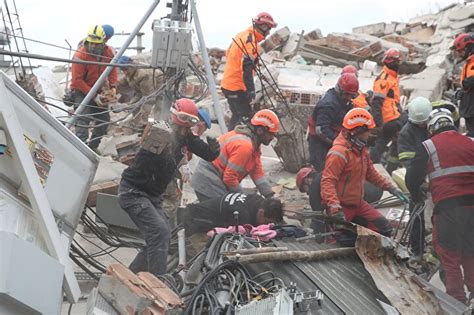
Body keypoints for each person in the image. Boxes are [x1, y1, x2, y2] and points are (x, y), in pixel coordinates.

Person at [117, 98, 220, 277]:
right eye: (181, 125)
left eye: (188, 126)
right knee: (160, 231)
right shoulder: (161, 133)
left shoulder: (186, 136)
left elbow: (206, 153)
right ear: (175, 118)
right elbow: (143, 164)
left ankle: (133, 275)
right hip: (134, 193)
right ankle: (158, 282)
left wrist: (213, 149)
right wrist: (168, 157)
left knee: (161, 236)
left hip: (152, 196)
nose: (183, 130)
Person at [405, 108, 474, 304]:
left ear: (432, 128)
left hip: (449, 209)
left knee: (449, 257)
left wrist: (417, 193)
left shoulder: (428, 146)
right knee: (471, 253)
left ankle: (457, 302)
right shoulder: (471, 142)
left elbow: (412, 178)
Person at [321, 108, 407, 236]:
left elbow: (371, 173)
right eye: (368, 131)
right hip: (342, 208)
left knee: (384, 229)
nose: (370, 135)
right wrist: (334, 206)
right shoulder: (339, 153)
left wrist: (390, 188)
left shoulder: (361, 150)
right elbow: (328, 181)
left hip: (358, 204)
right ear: (358, 131)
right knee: (343, 239)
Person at [191, 109, 279, 202]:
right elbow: (229, 178)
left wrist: (270, 195)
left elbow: (256, 172)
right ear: (260, 130)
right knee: (226, 212)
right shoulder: (245, 146)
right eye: (271, 134)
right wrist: (242, 200)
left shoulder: (254, 144)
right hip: (208, 180)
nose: (272, 137)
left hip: (210, 179)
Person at [221, 12, 277, 129]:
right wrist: (251, 91)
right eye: (269, 29)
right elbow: (247, 68)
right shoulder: (250, 41)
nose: (269, 33)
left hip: (229, 84)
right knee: (245, 117)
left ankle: (228, 141)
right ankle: (234, 143)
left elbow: (228, 53)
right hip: (236, 86)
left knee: (237, 115)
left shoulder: (242, 35)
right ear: (263, 27)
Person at [70, 25, 117, 150]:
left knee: (104, 120)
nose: (93, 46)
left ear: (103, 42)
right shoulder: (80, 55)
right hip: (81, 91)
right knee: (82, 120)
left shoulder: (108, 52)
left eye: (96, 44)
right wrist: (94, 96)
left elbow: (112, 69)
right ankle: (79, 150)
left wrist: (113, 86)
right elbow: (77, 80)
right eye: (91, 43)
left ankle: (92, 148)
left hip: (98, 89)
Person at [397, 96, 432, 258]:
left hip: (435, 170)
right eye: (420, 124)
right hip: (417, 175)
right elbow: (408, 161)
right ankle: (417, 248)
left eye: (424, 123)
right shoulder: (406, 133)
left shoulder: (432, 122)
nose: (423, 126)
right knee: (416, 206)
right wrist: (419, 183)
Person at [307, 73, 358, 171]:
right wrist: (340, 142)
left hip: (331, 139)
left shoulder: (342, 101)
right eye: (346, 94)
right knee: (321, 172)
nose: (348, 98)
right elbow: (321, 130)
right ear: (340, 90)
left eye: (351, 95)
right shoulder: (328, 105)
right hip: (319, 144)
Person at [184, 193, 283, 236]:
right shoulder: (242, 216)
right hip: (196, 223)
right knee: (208, 259)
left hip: (202, 210)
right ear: (261, 213)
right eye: (267, 222)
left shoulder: (257, 199)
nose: (266, 226)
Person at [370, 48, 404, 173]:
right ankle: (373, 166)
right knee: (383, 141)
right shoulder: (384, 79)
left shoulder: (392, 77)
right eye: (396, 61)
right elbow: (376, 103)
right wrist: (379, 124)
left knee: (390, 142)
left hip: (394, 117)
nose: (398, 64)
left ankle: (390, 167)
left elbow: (394, 100)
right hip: (388, 119)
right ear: (389, 61)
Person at [296, 166, 383, 213]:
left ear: (307, 180)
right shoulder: (327, 172)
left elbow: (317, 216)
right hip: (376, 188)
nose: (307, 193)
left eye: (305, 189)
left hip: (369, 197)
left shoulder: (314, 188)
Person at [116, 55, 164, 132]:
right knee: (134, 106)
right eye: (122, 69)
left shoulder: (143, 74)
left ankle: (155, 128)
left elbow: (149, 98)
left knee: (159, 108)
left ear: (130, 65)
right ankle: (140, 125)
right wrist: (113, 88)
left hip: (160, 88)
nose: (124, 72)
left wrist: (143, 119)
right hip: (143, 92)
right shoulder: (130, 72)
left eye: (125, 69)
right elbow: (122, 83)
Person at [452, 33, 474, 136]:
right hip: (469, 112)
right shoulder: (468, 63)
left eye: (461, 51)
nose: (460, 54)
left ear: (469, 47)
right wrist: (462, 92)